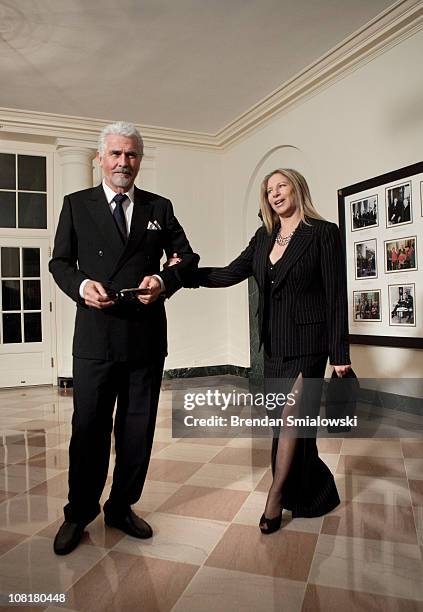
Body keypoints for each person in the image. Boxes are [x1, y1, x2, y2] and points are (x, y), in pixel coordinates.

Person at [49, 121, 198, 554]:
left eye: (131, 154)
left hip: (145, 338)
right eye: (115, 154)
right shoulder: (76, 205)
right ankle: (79, 513)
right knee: (89, 429)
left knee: (137, 431)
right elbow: (59, 262)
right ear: (100, 158)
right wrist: (80, 286)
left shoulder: (159, 206)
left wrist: (164, 279)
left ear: (139, 160)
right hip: (95, 339)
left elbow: (187, 258)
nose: (123, 162)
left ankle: (121, 507)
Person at [180, 168, 351, 534]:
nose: (274, 194)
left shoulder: (323, 233)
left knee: (291, 417)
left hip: (309, 343)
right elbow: (227, 274)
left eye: (281, 186)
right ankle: (318, 492)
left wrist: (339, 354)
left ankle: (275, 498)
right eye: (269, 190)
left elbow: (336, 297)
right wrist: (181, 277)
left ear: (297, 188)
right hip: (274, 344)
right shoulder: (263, 237)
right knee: (288, 425)